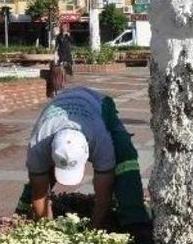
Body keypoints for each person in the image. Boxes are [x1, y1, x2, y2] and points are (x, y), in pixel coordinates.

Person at [16, 86, 149, 230]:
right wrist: (46, 227)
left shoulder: (100, 141)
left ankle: (134, 220)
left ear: (88, 153)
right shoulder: (38, 144)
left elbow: (103, 196)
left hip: (97, 103)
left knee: (124, 153)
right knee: (39, 174)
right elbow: (39, 191)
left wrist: (93, 228)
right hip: (61, 104)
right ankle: (21, 213)